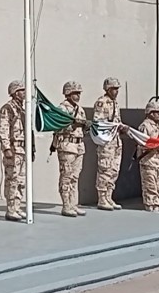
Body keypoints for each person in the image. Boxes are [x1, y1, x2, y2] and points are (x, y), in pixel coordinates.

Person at [0, 80, 30, 221]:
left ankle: (17, 206)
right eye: (22, 90)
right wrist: (7, 148)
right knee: (12, 179)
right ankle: (10, 209)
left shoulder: (22, 108)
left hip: (22, 148)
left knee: (21, 180)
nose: (25, 93)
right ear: (16, 93)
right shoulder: (8, 108)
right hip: (13, 148)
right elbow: (3, 130)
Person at [54, 81, 87, 218]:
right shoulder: (62, 109)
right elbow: (57, 127)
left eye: (78, 93)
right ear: (68, 93)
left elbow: (83, 127)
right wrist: (73, 124)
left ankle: (74, 204)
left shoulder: (80, 109)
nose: (77, 96)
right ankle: (66, 205)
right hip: (67, 145)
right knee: (66, 176)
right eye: (75, 93)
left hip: (78, 145)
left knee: (75, 177)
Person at [93, 77, 126, 211]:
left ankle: (109, 196)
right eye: (113, 89)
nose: (116, 91)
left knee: (114, 170)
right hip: (107, 142)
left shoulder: (115, 103)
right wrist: (114, 126)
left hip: (116, 141)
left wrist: (121, 127)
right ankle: (102, 198)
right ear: (107, 89)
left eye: (117, 89)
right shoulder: (102, 102)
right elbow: (98, 122)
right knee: (105, 169)